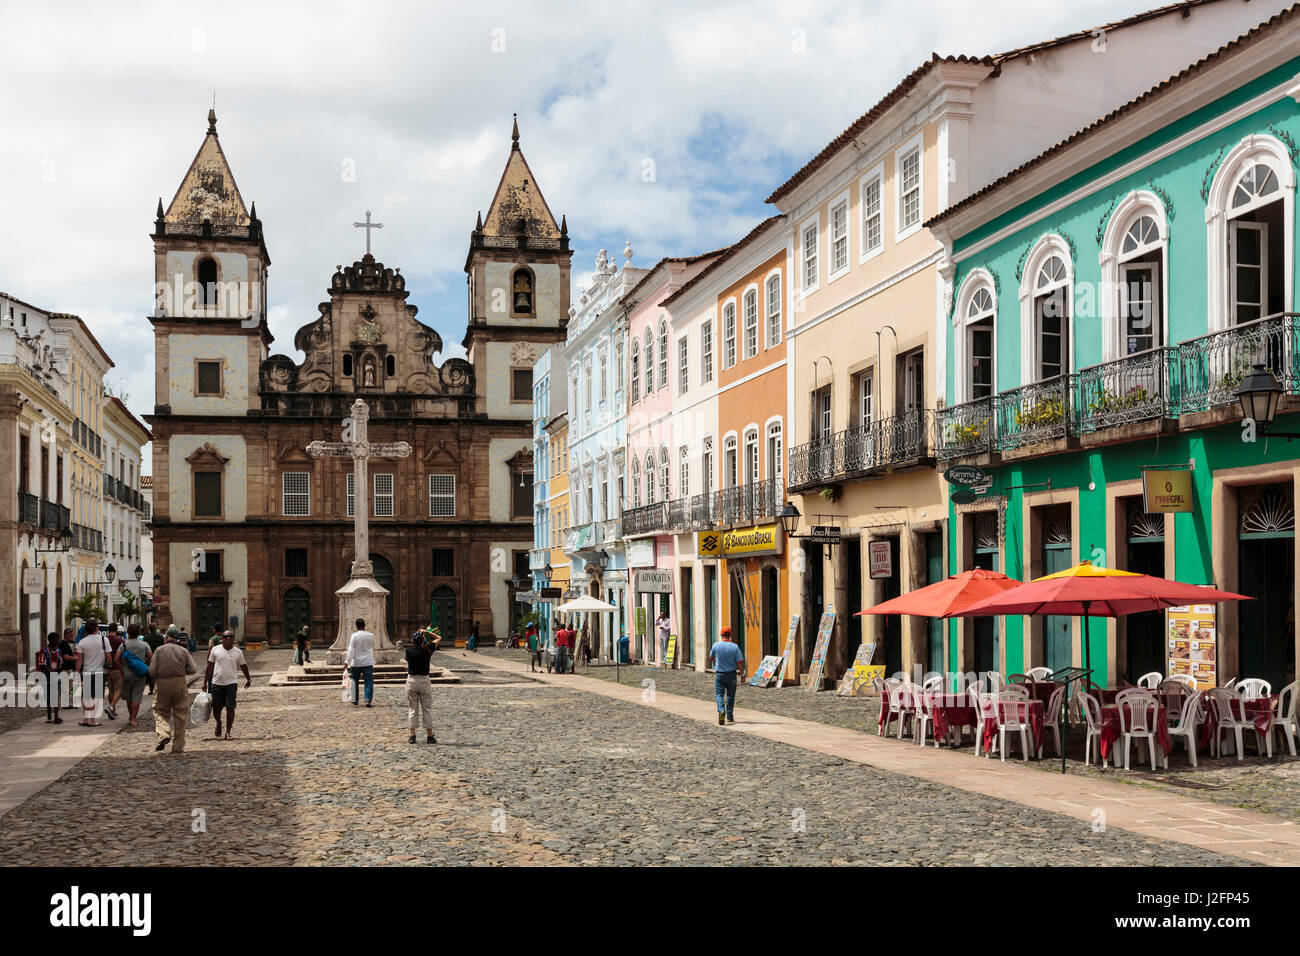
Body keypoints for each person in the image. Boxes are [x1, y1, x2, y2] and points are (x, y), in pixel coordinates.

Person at [149, 625, 196, 753]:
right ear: (177, 639)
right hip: (179, 682)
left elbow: (151, 670)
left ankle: (164, 734)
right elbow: (193, 669)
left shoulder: (159, 650)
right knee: (181, 714)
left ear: (166, 637)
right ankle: (178, 746)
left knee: (159, 710)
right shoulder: (183, 651)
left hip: (163, 683)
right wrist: (181, 670)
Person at [204, 631, 251, 739]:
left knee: (230, 707)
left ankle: (228, 732)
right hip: (216, 683)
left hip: (231, 683)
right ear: (222, 638)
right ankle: (219, 723)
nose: (228, 638)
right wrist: (205, 682)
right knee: (216, 709)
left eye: (231, 636)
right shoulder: (215, 650)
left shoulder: (238, 652)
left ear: (233, 639)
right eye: (226, 636)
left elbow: (243, 666)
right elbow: (209, 666)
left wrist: (248, 679)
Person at [74, 622, 112, 727]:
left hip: (87, 672)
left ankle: (86, 718)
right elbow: (108, 656)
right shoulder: (104, 640)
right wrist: (110, 667)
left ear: (85, 630)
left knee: (86, 696)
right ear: (96, 628)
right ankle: (92, 719)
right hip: (100, 672)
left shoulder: (82, 642)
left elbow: (79, 660)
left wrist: (77, 673)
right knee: (96, 697)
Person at [405, 629, 440, 744]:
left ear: (412, 641)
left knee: (412, 709)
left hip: (412, 681)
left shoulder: (409, 651)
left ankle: (412, 735)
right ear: (423, 640)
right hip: (424, 681)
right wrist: (426, 632)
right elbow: (438, 638)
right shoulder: (427, 650)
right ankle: (430, 735)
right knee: (427, 709)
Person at [116, 624, 153, 728]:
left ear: (128, 632)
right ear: (139, 633)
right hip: (140, 674)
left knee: (129, 697)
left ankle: (130, 716)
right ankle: (133, 719)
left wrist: (121, 669)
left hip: (127, 674)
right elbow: (152, 657)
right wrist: (146, 665)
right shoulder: (144, 644)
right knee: (136, 696)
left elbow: (116, 659)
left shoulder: (123, 645)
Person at [709, 626, 746, 726]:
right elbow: (739, 663)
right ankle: (729, 716)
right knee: (730, 695)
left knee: (719, 694)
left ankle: (721, 710)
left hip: (720, 674)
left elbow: (711, 657)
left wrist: (715, 663)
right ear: (730, 635)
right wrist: (742, 674)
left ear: (721, 635)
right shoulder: (735, 647)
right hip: (731, 674)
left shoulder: (716, 645)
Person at [345, 618, 375, 706]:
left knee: (354, 681)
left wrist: (347, 661)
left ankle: (354, 699)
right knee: (368, 681)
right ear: (364, 625)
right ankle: (368, 699)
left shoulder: (354, 636)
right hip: (368, 662)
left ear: (356, 626)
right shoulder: (371, 635)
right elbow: (373, 647)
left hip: (356, 662)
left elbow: (351, 650)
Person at [35, 632, 64, 723]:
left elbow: (60, 661)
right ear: (51, 640)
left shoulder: (58, 650)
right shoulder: (44, 650)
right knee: (48, 697)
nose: (58, 641)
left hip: (55, 676)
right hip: (46, 677)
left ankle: (56, 716)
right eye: (56, 639)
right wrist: (49, 670)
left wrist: (59, 667)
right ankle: (49, 715)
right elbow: (42, 663)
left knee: (55, 696)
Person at [104, 623, 125, 720]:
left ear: (108, 629)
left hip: (107, 668)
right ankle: (111, 706)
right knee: (120, 689)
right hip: (117, 667)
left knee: (111, 690)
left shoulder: (104, 640)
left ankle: (113, 710)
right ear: (116, 630)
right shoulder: (119, 641)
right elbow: (122, 655)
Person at [57, 628, 77, 710]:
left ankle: (67, 703)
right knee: (68, 687)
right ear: (65, 635)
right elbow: (66, 657)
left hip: (68, 668)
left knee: (69, 687)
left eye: (73, 634)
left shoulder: (66, 643)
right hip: (66, 669)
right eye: (70, 635)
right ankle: (66, 703)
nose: (72, 636)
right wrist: (75, 658)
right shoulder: (64, 643)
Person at [142, 625, 164, 695]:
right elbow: (163, 647)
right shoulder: (160, 637)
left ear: (149, 629)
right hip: (158, 658)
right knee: (159, 673)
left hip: (149, 658)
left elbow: (144, 648)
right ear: (155, 629)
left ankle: (151, 689)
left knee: (149, 674)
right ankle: (159, 688)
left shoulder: (145, 638)